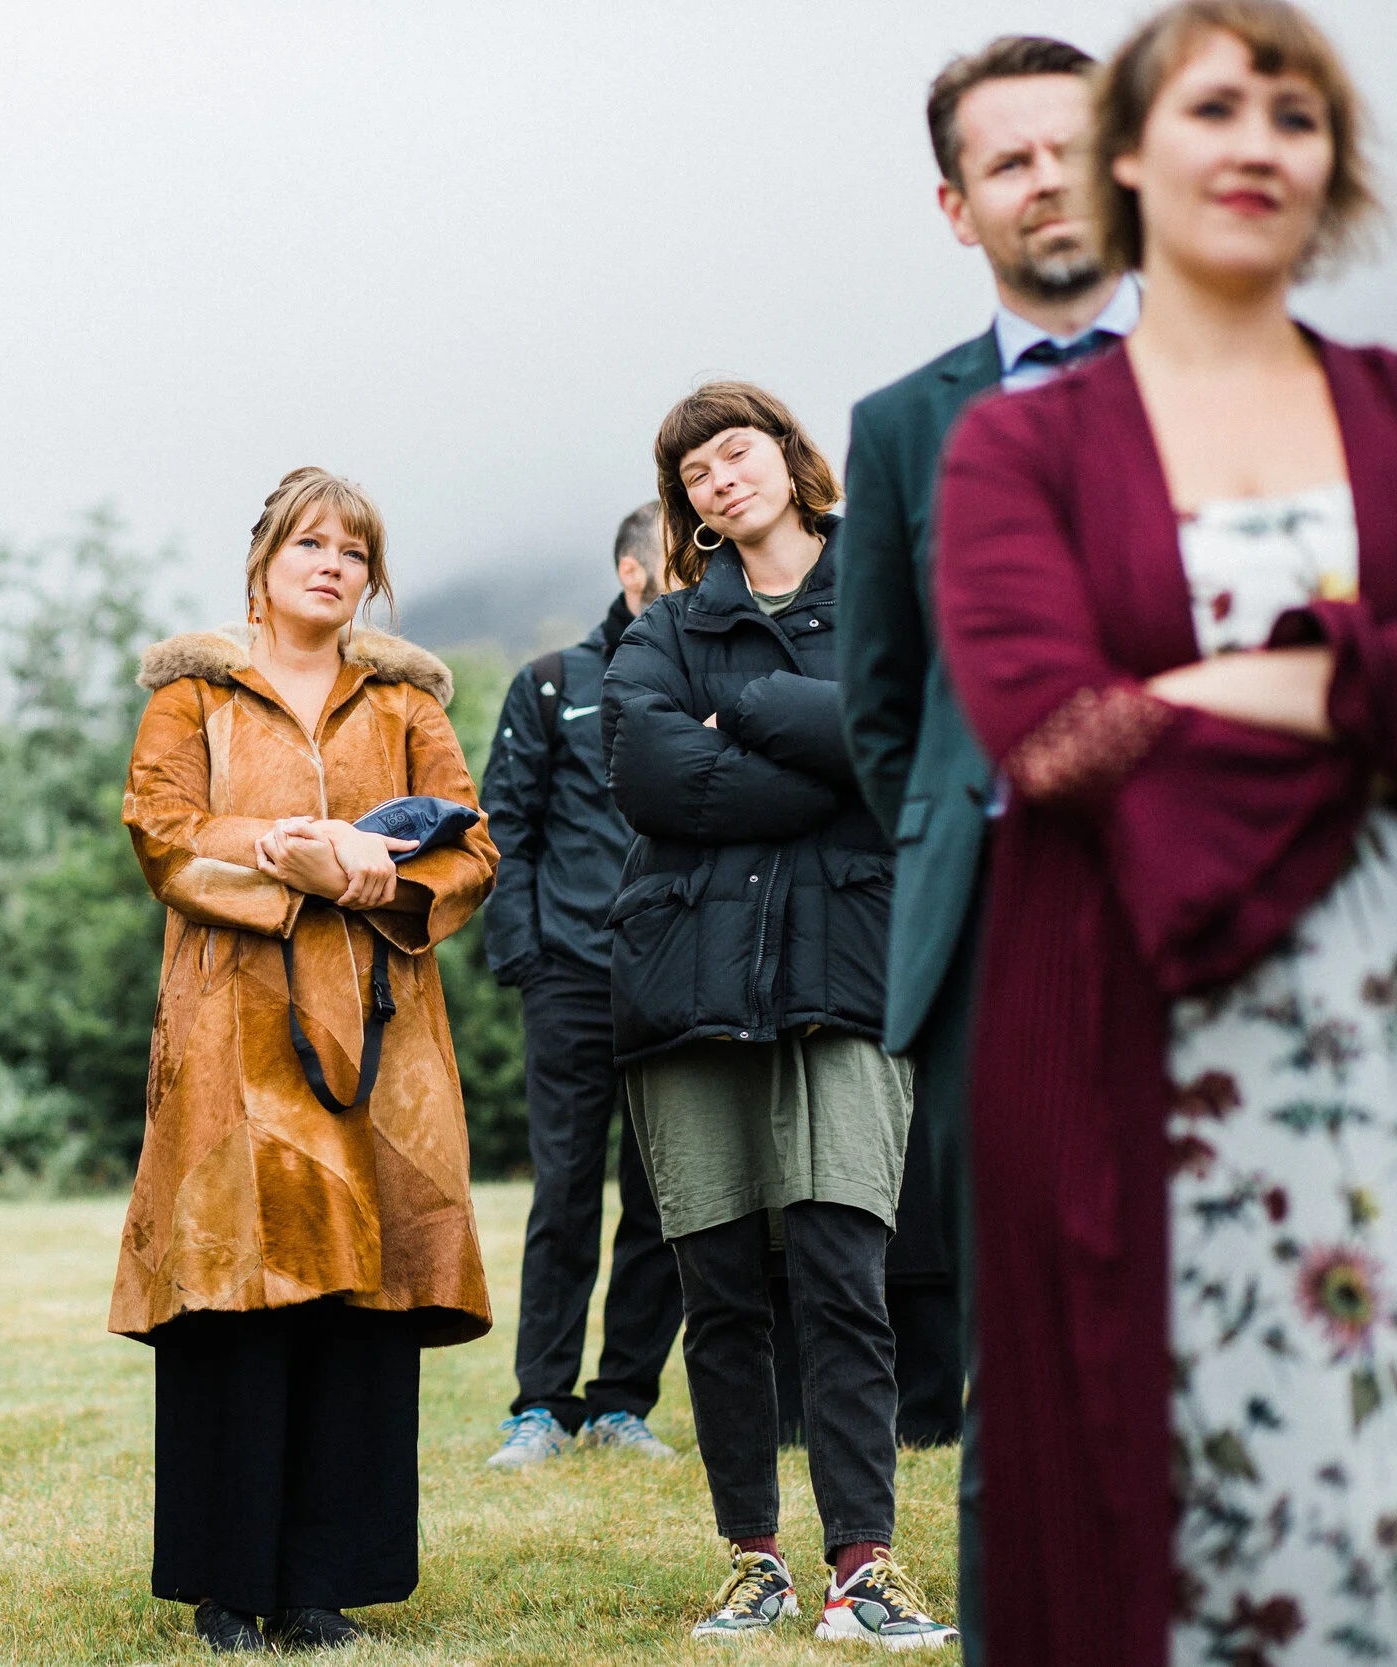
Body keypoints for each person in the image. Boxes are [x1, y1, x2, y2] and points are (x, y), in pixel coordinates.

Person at [936, 3, 1397, 1661]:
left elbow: (1122, 713)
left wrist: (1212, 681)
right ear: (1132, 156)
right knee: (1145, 1472)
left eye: (1296, 116)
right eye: (1217, 106)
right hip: (1125, 1004)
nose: (1258, 144)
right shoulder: (1019, 442)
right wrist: (1385, 674)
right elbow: (1048, 728)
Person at [835, 28, 1137, 1650]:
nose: (1048, 179)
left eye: (1074, 146)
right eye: (1009, 159)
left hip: (1243, 917)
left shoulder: (1261, 382)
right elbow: (885, 709)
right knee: (1021, 1354)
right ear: (959, 208)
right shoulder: (903, 426)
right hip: (1002, 936)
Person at [115, 467, 497, 1654]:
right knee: (237, 1287)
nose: (331, 564)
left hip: (382, 1035)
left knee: (357, 1296)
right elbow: (162, 831)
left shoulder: (406, 702)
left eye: (353, 549)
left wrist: (379, 879)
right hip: (231, 1031)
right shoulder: (192, 693)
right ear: (263, 559)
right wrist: (298, 854)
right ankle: (228, 1584)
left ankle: (324, 1583)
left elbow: (470, 848)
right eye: (309, 543)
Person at [602, 382, 955, 1648]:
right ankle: (752, 1559)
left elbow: (912, 747)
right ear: (685, 503)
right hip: (684, 978)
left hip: (844, 971)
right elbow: (647, 772)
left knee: (842, 1271)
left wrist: (743, 710)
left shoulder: (887, 593)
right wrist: (831, 754)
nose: (718, 476)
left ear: (789, 457)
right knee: (719, 1290)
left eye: (735, 449)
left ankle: (864, 1564)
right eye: (693, 469)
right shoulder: (666, 625)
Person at [480, 500, 685, 1468]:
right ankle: (541, 1406)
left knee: (664, 1199)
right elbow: (503, 827)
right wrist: (525, 957)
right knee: (563, 1193)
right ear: (631, 571)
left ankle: (621, 1401)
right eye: (680, 556)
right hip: (568, 976)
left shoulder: (708, 674)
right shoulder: (552, 680)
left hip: (679, 979)